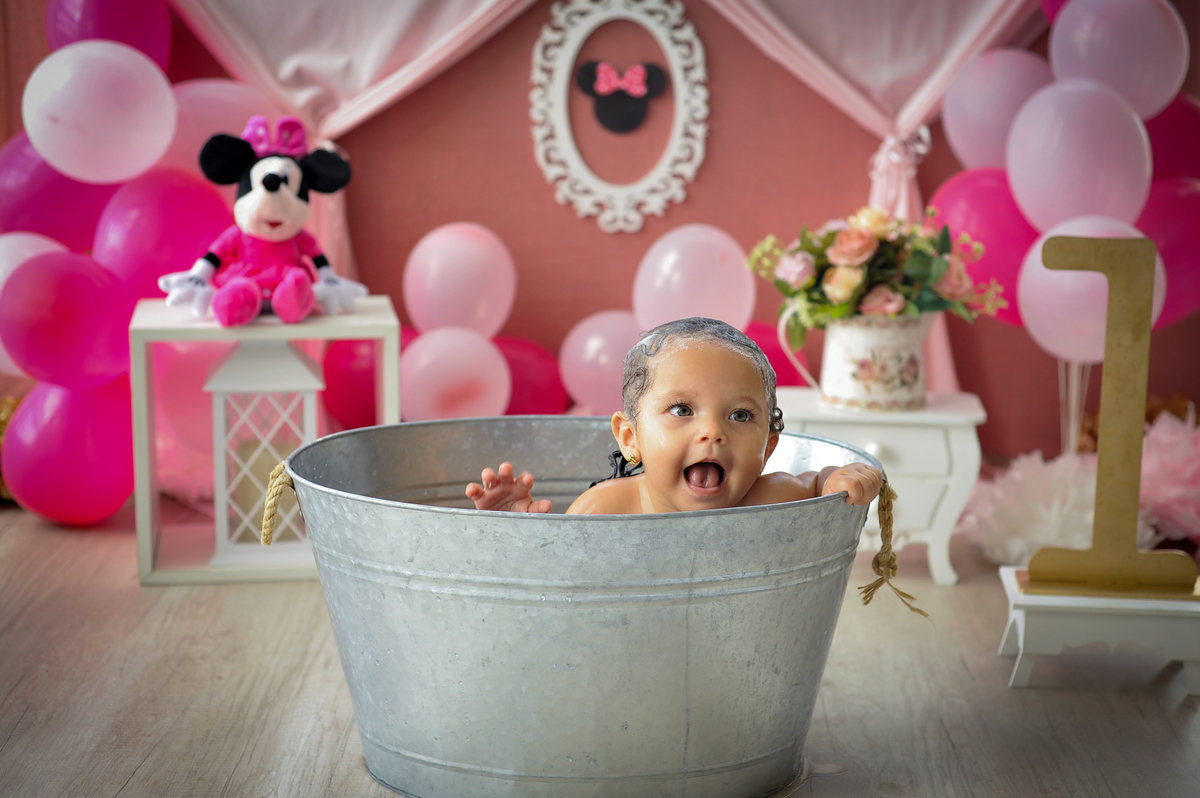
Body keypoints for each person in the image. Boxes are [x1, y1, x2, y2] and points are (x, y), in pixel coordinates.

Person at [466, 317, 882, 514]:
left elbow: (819, 484)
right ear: (630, 439)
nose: (712, 431)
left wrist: (840, 477)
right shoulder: (606, 509)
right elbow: (558, 578)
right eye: (682, 410)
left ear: (768, 448)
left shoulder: (774, 497)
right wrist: (516, 527)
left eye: (740, 415)